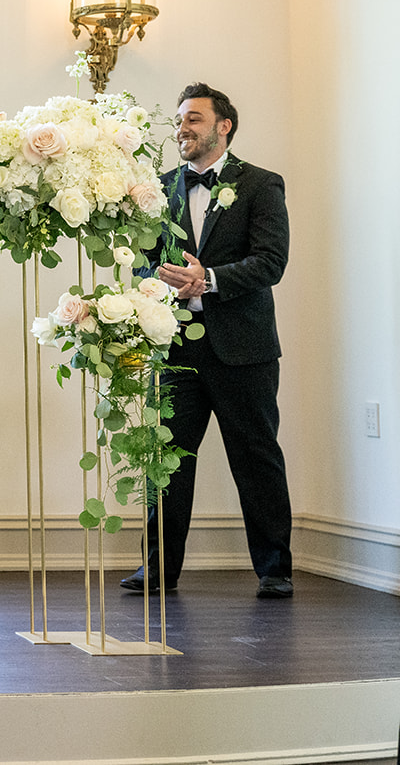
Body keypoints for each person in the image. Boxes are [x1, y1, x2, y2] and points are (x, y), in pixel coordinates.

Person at [120, 82, 294, 599]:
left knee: (256, 458)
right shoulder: (159, 186)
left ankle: (275, 569)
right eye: (179, 120)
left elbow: (271, 261)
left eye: (194, 118)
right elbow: (145, 260)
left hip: (244, 350)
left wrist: (209, 279)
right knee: (165, 461)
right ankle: (157, 569)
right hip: (177, 348)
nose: (182, 128)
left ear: (224, 126)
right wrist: (162, 276)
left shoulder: (262, 184)